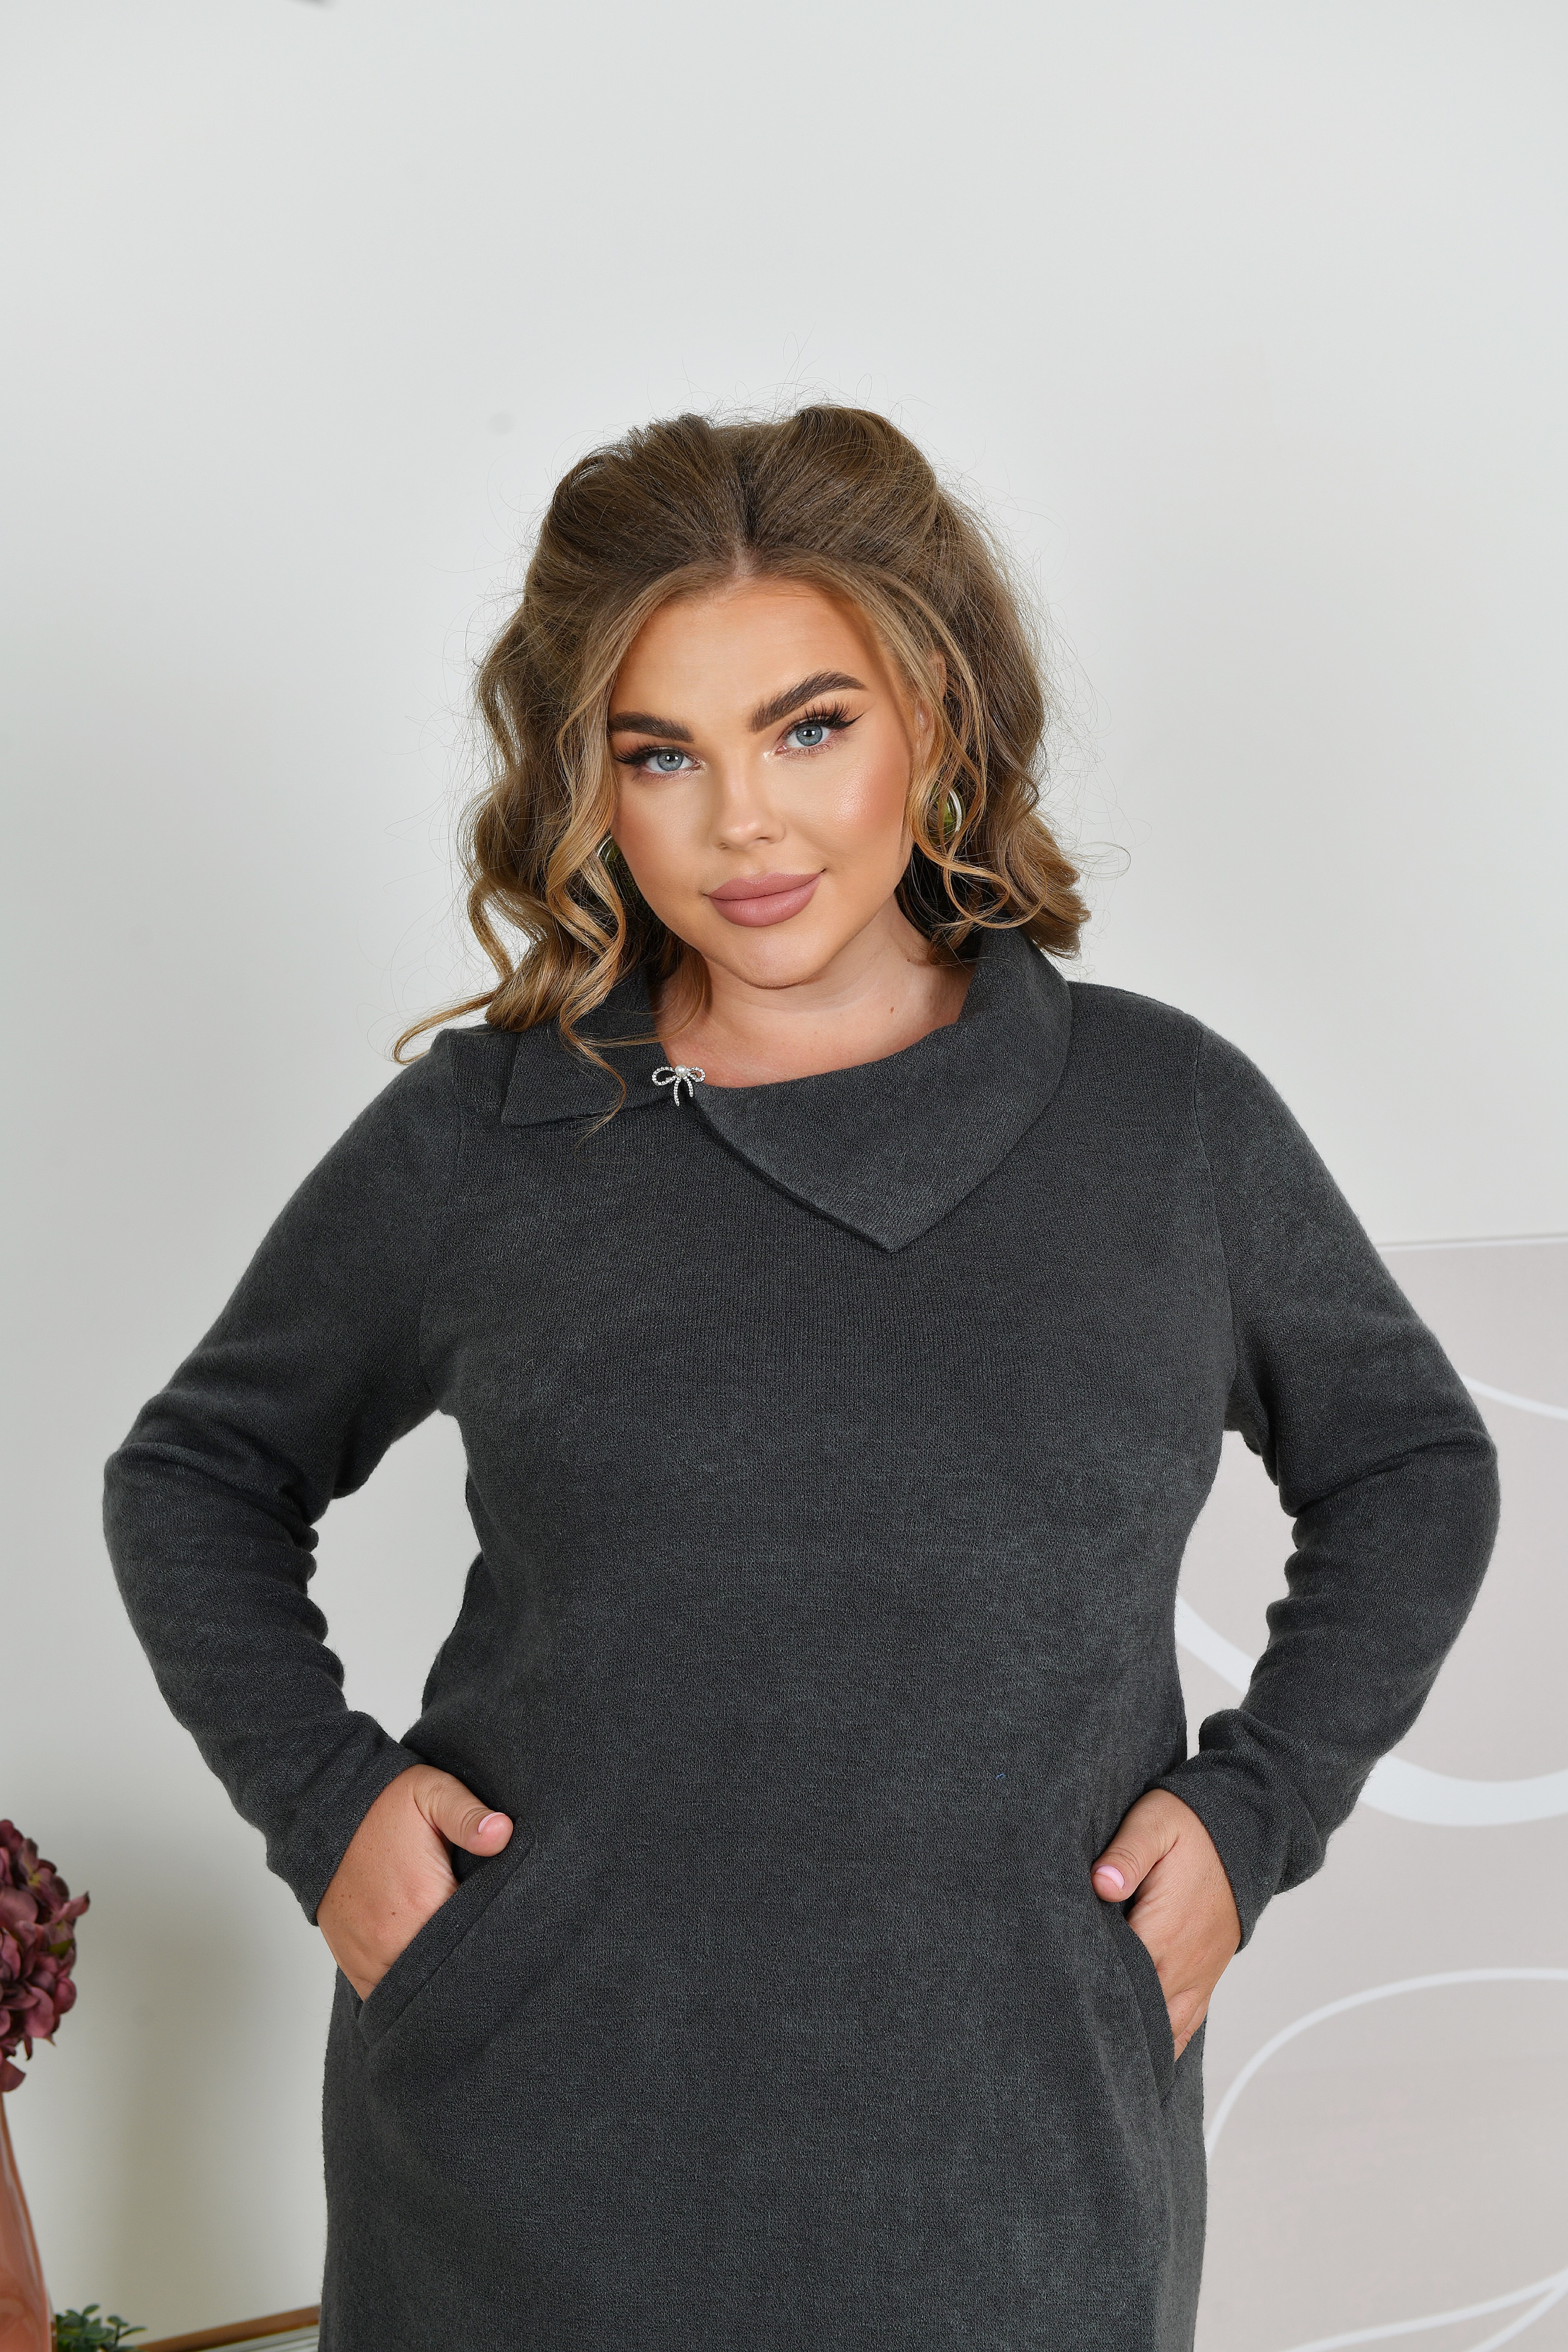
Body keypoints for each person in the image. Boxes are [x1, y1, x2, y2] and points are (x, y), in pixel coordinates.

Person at [103, 405, 1500, 2352]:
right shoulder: (492, 1132)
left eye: (808, 727)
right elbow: (196, 1473)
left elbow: (1414, 1465)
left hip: (1018, 2179)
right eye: (660, 752)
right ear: (585, 779)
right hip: (519, 2161)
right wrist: (329, 1806)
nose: (741, 823)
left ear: (938, 715)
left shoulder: (1165, 1123)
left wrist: (1254, 1814)